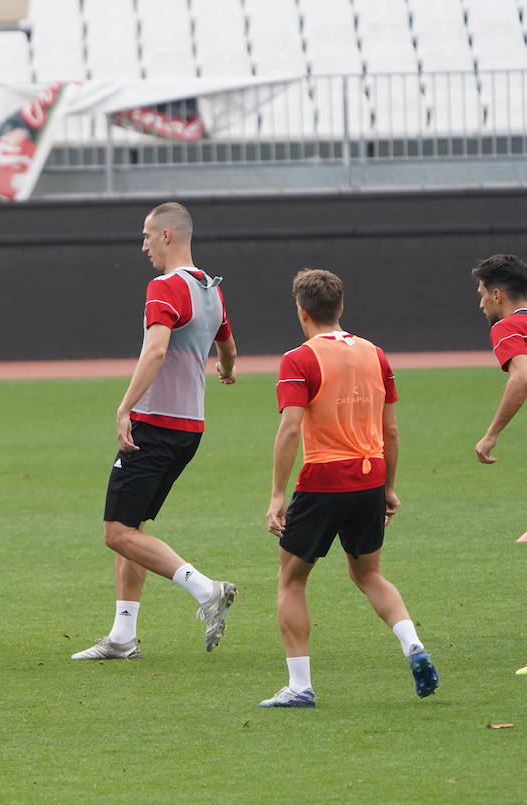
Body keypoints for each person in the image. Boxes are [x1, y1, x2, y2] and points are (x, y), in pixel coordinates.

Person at [260, 269, 437, 706]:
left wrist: (278, 495)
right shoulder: (375, 354)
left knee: (291, 580)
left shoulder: (298, 359)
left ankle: (300, 687)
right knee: (368, 573)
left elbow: (289, 431)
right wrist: (389, 487)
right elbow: (390, 431)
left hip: (323, 479)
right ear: (341, 308)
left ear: (302, 312)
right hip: (370, 476)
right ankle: (413, 644)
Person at [72, 201, 239, 661]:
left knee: (116, 533)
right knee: (135, 527)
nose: (143, 244)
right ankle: (123, 637)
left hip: (155, 423)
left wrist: (125, 407)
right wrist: (225, 372)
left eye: (147, 235)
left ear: (168, 235)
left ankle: (206, 590)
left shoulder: (165, 287)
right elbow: (227, 347)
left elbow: (156, 352)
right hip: (190, 427)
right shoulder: (210, 288)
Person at [468, 254, 527, 676]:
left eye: (481, 294)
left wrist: (490, 434)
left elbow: (522, 376)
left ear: (497, 293)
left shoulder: (508, 326)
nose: (480, 304)